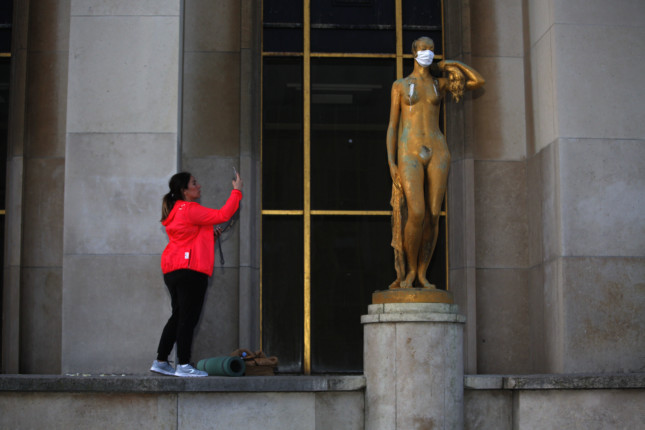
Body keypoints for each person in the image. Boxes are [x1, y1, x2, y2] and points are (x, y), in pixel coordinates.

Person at [387, 37, 484, 289]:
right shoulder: (400, 85)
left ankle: (422, 273)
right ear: (414, 52)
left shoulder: (439, 84)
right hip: (409, 151)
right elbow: (393, 126)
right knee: (416, 212)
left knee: (432, 214)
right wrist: (391, 162)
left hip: (437, 149)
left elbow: (478, 81)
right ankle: (409, 271)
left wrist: (452, 64)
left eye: (431, 49)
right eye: (423, 49)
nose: (427, 53)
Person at [150, 170, 243, 377]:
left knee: (178, 316)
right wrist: (237, 191)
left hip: (174, 269)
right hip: (190, 270)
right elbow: (223, 215)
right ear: (184, 190)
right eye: (194, 183)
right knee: (187, 319)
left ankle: (161, 361)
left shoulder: (177, 210)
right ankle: (183, 365)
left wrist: (210, 235)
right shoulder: (190, 209)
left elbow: (190, 236)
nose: (198, 186)